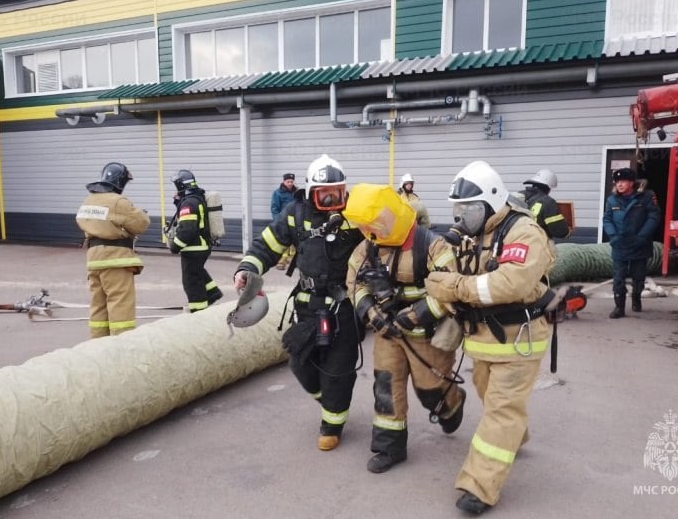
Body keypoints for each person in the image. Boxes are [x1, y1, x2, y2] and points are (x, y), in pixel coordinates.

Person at [423, 160, 555, 515]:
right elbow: (450, 270)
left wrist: (454, 287)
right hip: (483, 340)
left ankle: (478, 487)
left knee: (500, 411)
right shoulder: (474, 234)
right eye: (458, 209)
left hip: (518, 340)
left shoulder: (523, 232)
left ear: (492, 202)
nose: (460, 216)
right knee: (490, 396)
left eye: (468, 208)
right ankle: (516, 434)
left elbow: (510, 282)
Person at [233, 154, 364, 451]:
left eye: (337, 193)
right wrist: (247, 269)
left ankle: (332, 423)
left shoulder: (356, 214)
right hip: (307, 304)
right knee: (300, 364)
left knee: (338, 369)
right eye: (324, 194)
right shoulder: (295, 213)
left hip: (344, 305)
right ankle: (330, 399)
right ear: (310, 191)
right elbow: (266, 245)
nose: (332, 200)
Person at [344, 183, 465, 474]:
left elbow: (452, 290)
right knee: (386, 386)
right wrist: (374, 316)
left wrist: (413, 317)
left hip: (425, 333)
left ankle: (450, 403)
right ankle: (389, 447)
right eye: (366, 226)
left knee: (429, 389)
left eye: (376, 224)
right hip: (388, 333)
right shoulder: (368, 245)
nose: (373, 231)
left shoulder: (432, 245)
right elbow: (355, 284)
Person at [75, 162, 150, 338]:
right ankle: (121, 348)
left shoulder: (88, 200)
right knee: (120, 305)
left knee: (98, 307)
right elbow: (141, 224)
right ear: (121, 182)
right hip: (116, 260)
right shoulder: (118, 202)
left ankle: (98, 346)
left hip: (94, 260)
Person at [602, 167, 660, 319]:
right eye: (617, 182)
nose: (619, 185)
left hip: (640, 244)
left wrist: (642, 237)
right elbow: (607, 219)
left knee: (638, 276)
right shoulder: (612, 200)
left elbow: (653, 217)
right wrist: (613, 236)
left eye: (623, 181)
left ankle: (636, 298)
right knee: (618, 277)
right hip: (619, 244)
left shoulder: (646, 197)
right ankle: (619, 307)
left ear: (632, 183)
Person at [168, 169, 223, 313]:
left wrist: (175, 246)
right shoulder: (196, 198)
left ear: (180, 185)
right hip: (201, 247)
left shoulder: (188, 203)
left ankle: (198, 310)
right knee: (197, 272)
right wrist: (178, 203)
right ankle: (212, 293)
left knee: (191, 281)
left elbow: (187, 230)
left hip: (194, 248)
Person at [521, 169, 572, 241]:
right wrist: (567, 232)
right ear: (548, 187)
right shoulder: (548, 202)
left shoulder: (519, 196)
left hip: (513, 244)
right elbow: (559, 231)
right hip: (535, 244)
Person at [271, 172, 297, 270]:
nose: (290, 183)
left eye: (291, 181)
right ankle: (281, 262)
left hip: (295, 221)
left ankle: (292, 261)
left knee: (294, 243)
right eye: (288, 181)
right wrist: (278, 222)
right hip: (283, 222)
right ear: (284, 181)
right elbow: (274, 209)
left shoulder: (296, 192)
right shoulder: (277, 193)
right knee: (284, 242)